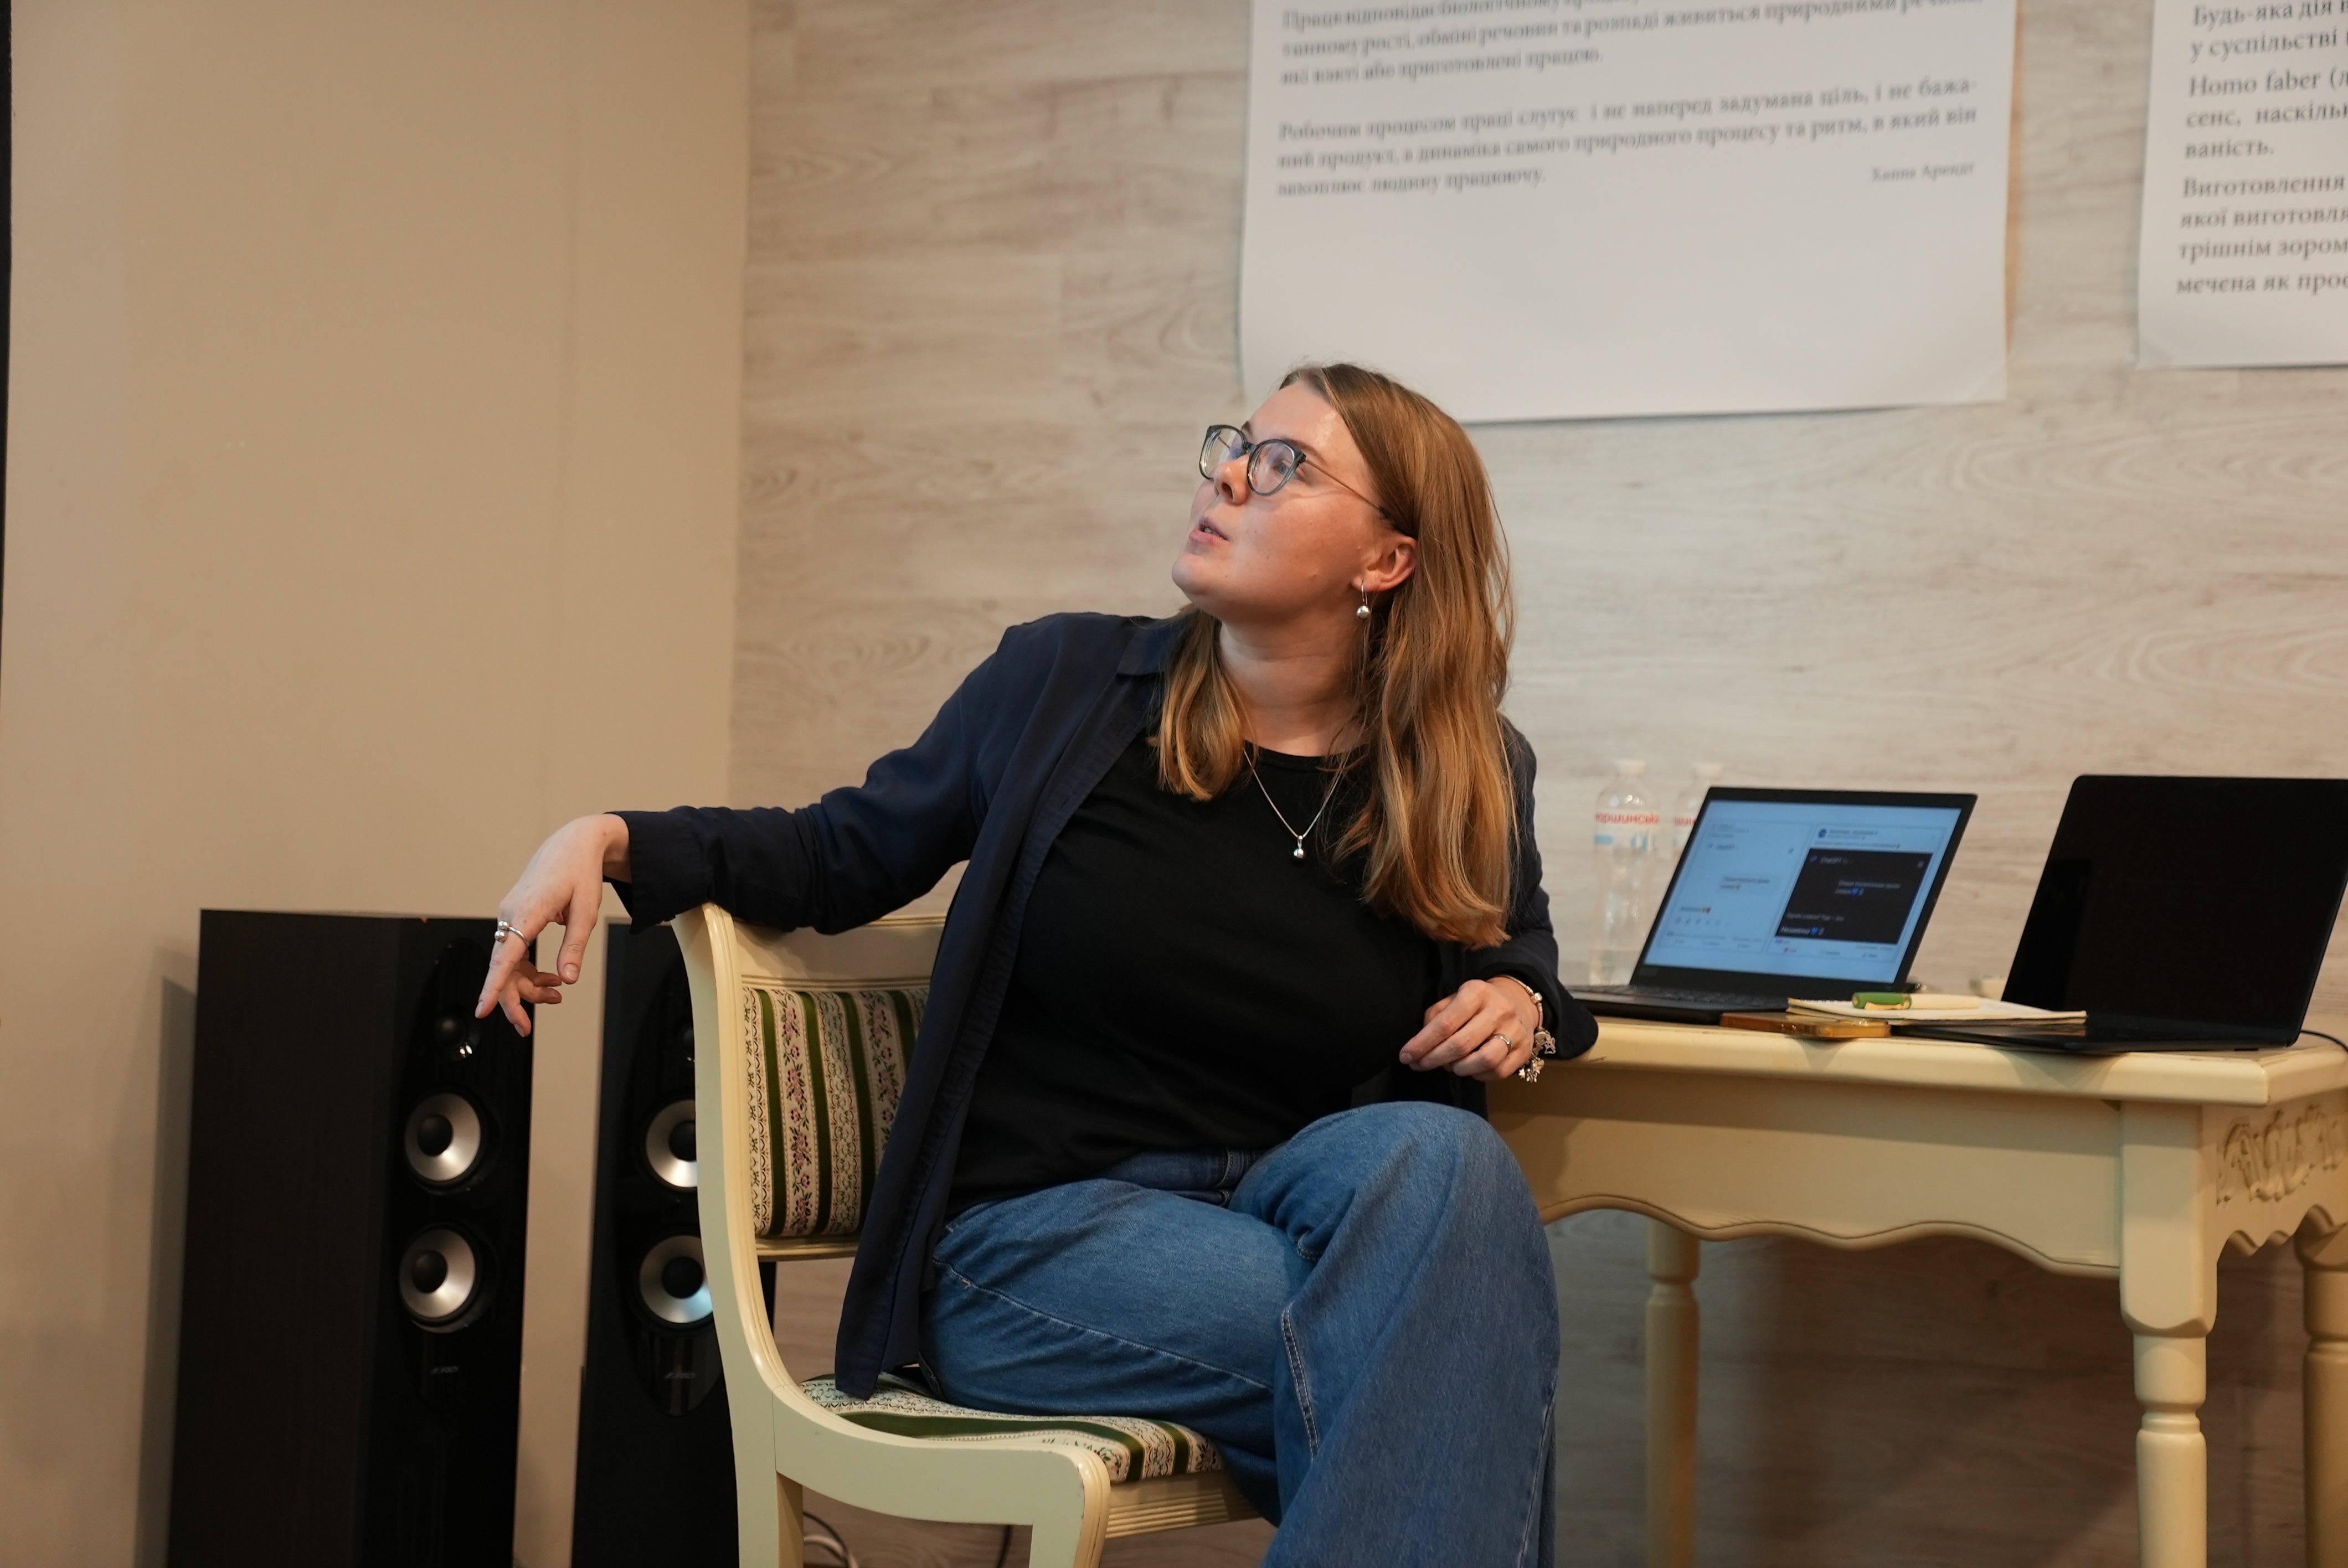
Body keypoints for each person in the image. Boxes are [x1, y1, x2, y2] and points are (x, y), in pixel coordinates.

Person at [478, 363, 1598, 1565]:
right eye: (1236, 445)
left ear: (1385, 562)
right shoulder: (1065, 687)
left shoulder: (1464, 765)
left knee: (1451, 1168)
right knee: (1458, 1333)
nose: (1226, 474)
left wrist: (1516, 994)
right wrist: (615, 839)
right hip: (1039, 1245)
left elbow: (1508, 939)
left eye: (1284, 467)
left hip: (1288, 1203)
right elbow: (836, 853)